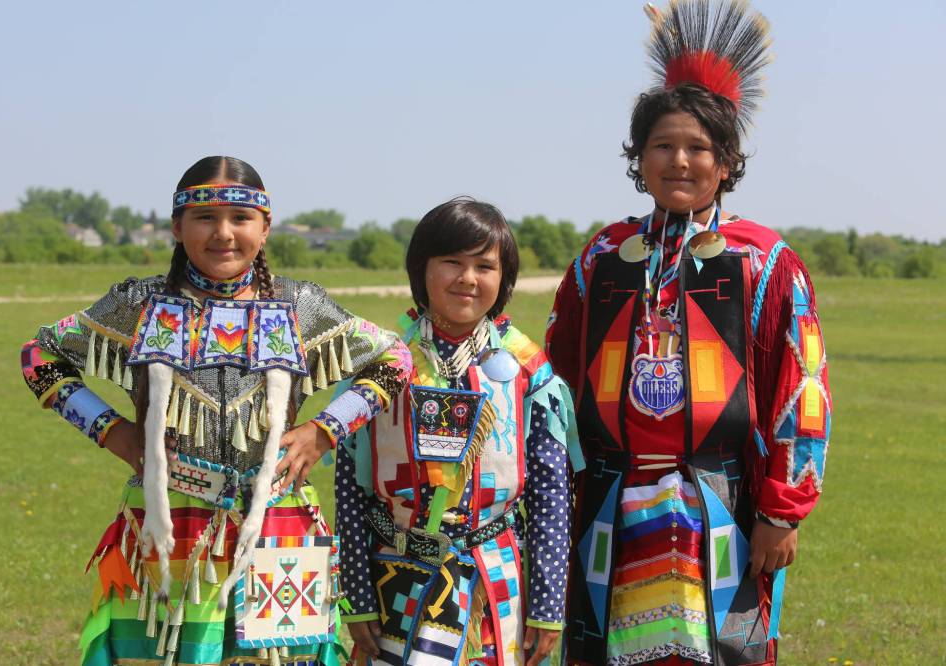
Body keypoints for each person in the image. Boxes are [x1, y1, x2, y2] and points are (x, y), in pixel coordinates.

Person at [20, 156, 412, 666]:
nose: (223, 233)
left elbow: (394, 358)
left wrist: (324, 431)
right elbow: (38, 355)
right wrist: (113, 432)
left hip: (278, 525)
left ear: (265, 228)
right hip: (167, 528)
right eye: (205, 217)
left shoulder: (300, 306)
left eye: (240, 218)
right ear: (178, 228)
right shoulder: (140, 304)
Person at [547, 2, 831, 665]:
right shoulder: (603, 258)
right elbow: (555, 383)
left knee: (718, 653)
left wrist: (781, 510)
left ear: (726, 162)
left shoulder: (764, 263)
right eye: (662, 145)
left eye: (698, 147)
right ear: (638, 157)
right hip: (607, 508)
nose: (679, 161)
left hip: (720, 505)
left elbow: (803, 391)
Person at [335, 198, 584, 666]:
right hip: (395, 580)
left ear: (503, 278)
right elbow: (351, 487)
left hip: (493, 584)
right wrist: (356, 597)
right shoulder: (385, 363)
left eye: (484, 266)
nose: (467, 278)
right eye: (452, 262)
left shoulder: (528, 372)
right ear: (421, 269)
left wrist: (548, 608)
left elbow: (551, 494)